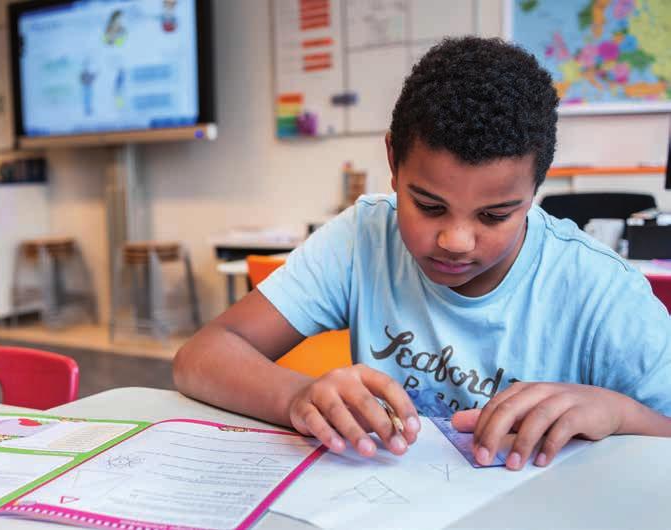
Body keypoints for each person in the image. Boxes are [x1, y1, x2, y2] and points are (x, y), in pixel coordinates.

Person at [172, 37, 671, 471]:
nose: (456, 240)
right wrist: (297, 397)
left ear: (536, 186)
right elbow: (201, 357)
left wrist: (618, 413)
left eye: (495, 215)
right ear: (392, 162)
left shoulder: (602, 290)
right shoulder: (363, 237)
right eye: (429, 206)